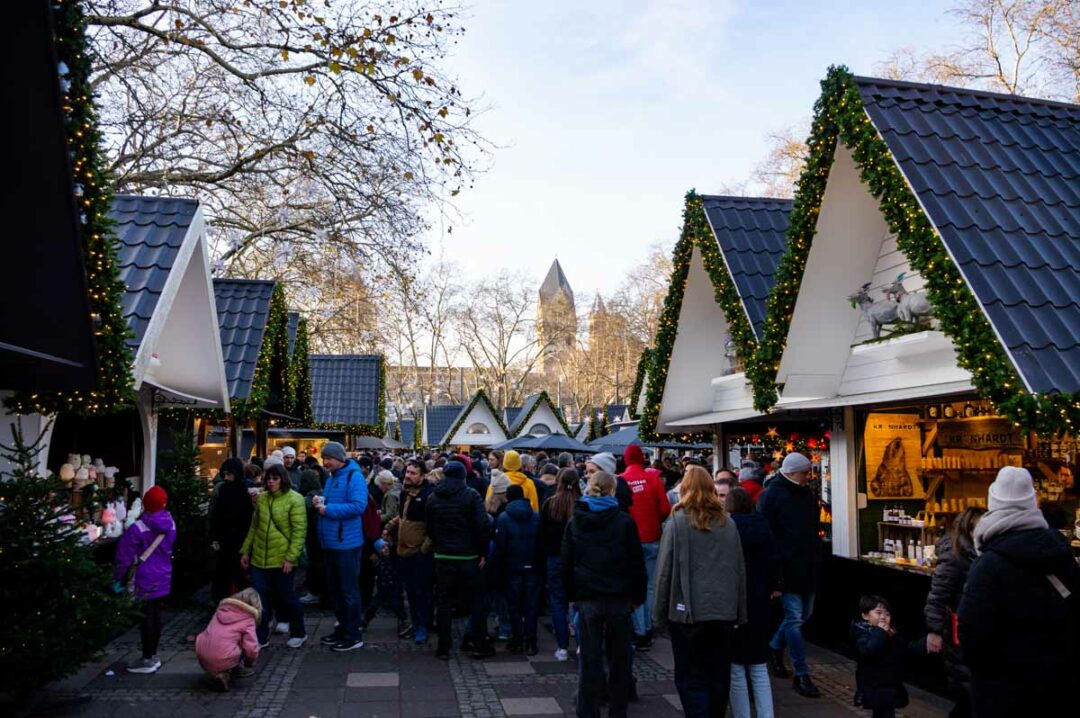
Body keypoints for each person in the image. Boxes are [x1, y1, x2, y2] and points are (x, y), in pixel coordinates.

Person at [958, 467, 1080, 718]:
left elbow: (971, 634)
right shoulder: (1059, 551)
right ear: (1032, 504)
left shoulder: (988, 565)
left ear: (993, 504)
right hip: (1056, 686)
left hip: (1003, 692)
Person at [653, 465, 746, 718]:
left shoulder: (677, 521)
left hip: (688, 614)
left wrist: (659, 615)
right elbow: (739, 570)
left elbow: (664, 571)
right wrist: (740, 611)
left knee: (690, 676)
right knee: (718, 675)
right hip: (723, 613)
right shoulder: (728, 524)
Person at [561, 471, 646, 718]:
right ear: (612, 491)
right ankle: (617, 711)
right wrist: (637, 597)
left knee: (589, 659)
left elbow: (566, 563)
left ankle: (588, 711)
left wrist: (571, 595)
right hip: (618, 598)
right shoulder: (624, 521)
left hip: (588, 599)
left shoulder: (576, 521)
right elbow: (636, 564)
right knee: (619, 660)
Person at [757, 451, 821, 698]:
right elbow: (767, 535)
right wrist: (774, 572)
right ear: (794, 472)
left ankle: (774, 647)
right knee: (795, 618)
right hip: (786, 568)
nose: (808, 477)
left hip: (807, 566)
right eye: (806, 473)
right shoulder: (771, 495)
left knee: (804, 614)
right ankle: (802, 674)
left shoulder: (805, 493)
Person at [425, 460, 492, 659]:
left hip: (444, 555)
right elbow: (482, 526)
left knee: (444, 602)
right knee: (477, 601)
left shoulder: (433, 497)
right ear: (463, 476)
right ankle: (479, 644)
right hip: (468, 555)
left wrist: (439, 545)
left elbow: (429, 527)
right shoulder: (471, 495)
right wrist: (483, 553)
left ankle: (443, 648)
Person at [923, 506, 985, 718]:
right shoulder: (956, 554)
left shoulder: (979, 551)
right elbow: (938, 594)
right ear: (968, 528)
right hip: (959, 629)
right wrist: (935, 630)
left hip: (972, 628)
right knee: (967, 689)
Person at [240, 464, 307, 649]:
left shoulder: (295, 499)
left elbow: (299, 531)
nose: (270, 482)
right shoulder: (262, 499)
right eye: (268, 478)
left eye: (275, 478)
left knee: (286, 596)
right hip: (260, 558)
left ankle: (299, 631)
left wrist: (291, 557)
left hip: (282, 558)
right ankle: (261, 637)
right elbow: (254, 527)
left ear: (283, 479)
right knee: (260, 599)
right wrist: (246, 550)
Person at [725, 486, 779, 718]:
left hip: (735, 601)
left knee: (736, 668)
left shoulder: (728, 528)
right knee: (758, 666)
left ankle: (742, 714)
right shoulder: (763, 526)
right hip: (759, 600)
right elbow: (773, 561)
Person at [115, 485, 177, 674]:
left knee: (147, 617)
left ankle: (147, 658)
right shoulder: (171, 524)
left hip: (144, 576)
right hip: (163, 573)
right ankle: (153, 655)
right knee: (155, 615)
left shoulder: (138, 527)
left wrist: (118, 578)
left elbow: (124, 556)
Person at [316, 441, 368, 652]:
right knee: (335, 591)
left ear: (339, 458)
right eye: (324, 458)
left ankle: (353, 634)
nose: (325, 461)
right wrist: (321, 501)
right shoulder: (332, 478)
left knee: (348, 591)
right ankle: (343, 628)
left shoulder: (353, 477)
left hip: (347, 543)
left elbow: (358, 506)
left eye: (328, 458)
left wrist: (327, 509)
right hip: (331, 543)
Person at [621, 444, 671, 650]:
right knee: (650, 585)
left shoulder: (621, 480)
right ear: (642, 458)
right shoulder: (653, 479)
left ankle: (640, 629)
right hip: (652, 538)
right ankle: (649, 625)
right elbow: (665, 509)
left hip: (630, 542)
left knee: (634, 586)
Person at [851, 595, 927, 718]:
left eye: (887, 614)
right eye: (878, 613)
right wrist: (880, 632)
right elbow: (868, 650)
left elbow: (906, 647)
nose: (883, 617)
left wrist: (925, 643)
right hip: (875, 685)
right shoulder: (862, 632)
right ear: (865, 616)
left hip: (889, 683)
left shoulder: (890, 633)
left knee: (883, 713)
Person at [385, 459, 435, 643]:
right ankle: (415, 622)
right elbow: (403, 516)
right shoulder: (405, 493)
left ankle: (423, 625)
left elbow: (432, 525)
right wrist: (389, 527)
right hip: (403, 550)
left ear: (422, 475)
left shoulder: (429, 495)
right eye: (407, 472)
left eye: (413, 473)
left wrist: (424, 549)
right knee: (410, 592)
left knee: (421, 591)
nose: (408, 475)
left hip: (420, 553)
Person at [492, 484, 541, 655]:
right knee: (531, 606)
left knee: (514, 605)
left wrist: (497, 569)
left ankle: (517, 639)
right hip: (533, 566)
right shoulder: (536, 517)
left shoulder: (504, 518)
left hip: (512, 566)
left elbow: (500, 547)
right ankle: (531, 641)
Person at [540, 468, 581, 661]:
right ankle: (581, 643)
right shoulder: (581, 504)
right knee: (579, 602)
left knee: (558, 603)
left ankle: (562, 647)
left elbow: (543, 533)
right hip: (577, 559)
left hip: (555, 558)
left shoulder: (550, 504)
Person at [196, 588, 261, 692]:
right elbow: (251, 648)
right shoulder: (248, 619)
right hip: (223, 655)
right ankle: (226, 673)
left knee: (224, 640)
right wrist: (249, 662)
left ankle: (216, 673)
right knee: (243, 644)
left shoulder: (222, 609)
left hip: (202, 652)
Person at [210, 458, 254, 602]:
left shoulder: (243, 492)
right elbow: (216, 515)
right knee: (223, 577)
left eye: (229, 474)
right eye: (225, 475)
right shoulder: (223, 489)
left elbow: (247, 520)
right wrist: (215, 537)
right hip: (224, 541)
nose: (227, 478)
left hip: (239, 541)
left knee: (238, 577)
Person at [361, 538, 409, 635]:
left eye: (386, 546)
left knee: (397, 605)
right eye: (383, 548)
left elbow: (395, 550)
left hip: (394, 588)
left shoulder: (393, 558)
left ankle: (404, 622)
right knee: (373, 606)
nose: (386, 549)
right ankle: (365, 622)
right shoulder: (378, 561)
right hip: (382, 589)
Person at [297, 466, 326, 605]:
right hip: (322, 535)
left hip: (313, 536)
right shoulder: (322, 493)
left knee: (314, 564)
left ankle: (315, 592)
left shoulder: (308, 498)